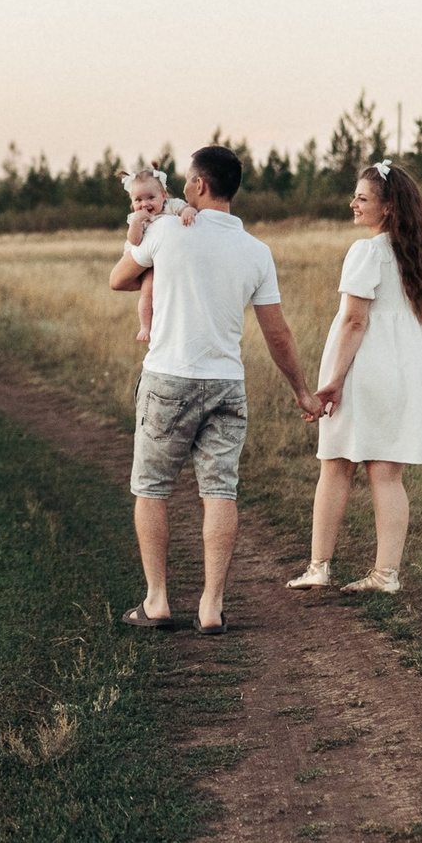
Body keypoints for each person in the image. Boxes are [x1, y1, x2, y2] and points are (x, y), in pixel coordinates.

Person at [111, 145, 317, 635]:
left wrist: (138, 240)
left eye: (185, 181)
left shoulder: (164, 232)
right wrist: (302, 392)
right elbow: (278, 333)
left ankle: (157, 601)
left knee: (152, 489)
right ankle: (211, 607)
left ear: (200, 186)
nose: (181, 189)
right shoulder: (257, 252)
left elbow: (120, 278)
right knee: (220, 492)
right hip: (227, 385)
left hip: (168, 379)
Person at [288, 159, 422, 596]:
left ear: (387, 207)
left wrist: (333, 380)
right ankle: (386, 575)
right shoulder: (413, 253)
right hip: (403, 370)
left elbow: (354, 321)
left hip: (365, 369)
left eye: (362, 198)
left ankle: (319, 567)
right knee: (387, 474)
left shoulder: (366, 251)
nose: (353, 204)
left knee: (335, 466)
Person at [122, 165, 198, 342]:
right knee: (147, 291)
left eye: (150, 197)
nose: (144, 204)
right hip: (147, 262)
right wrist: (136, 224)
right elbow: (135, 241)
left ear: (163, 194)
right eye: (138, 200)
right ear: (132, 202)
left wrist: (188, 212)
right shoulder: (136, 218)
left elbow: (187, 209)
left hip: (167, 258)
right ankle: (145, 326)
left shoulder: (171, 205)